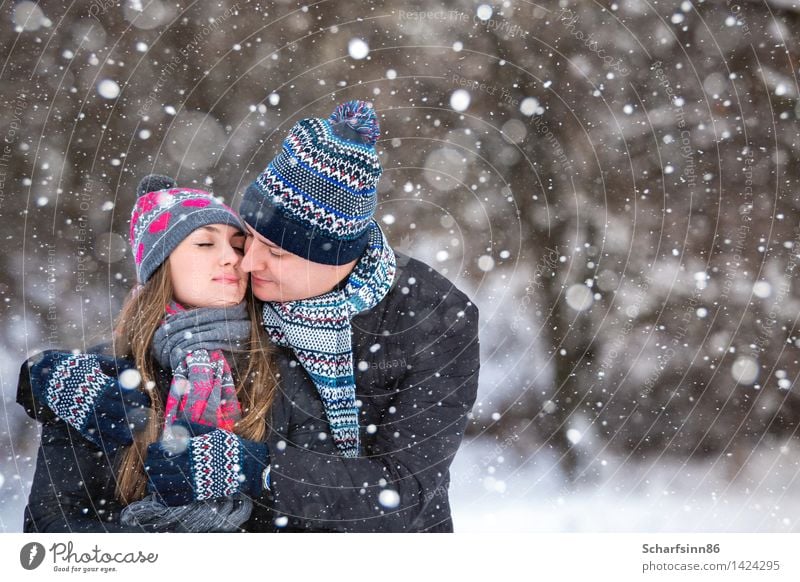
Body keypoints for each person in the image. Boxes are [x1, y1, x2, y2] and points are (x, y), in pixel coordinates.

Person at [17, 177, 337, 532]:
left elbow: (323, 516)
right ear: (160, 265)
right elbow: (52, 526)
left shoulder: (282, 369)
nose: (232, 259)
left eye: (237, 245)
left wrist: (256, 473)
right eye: (204, 243)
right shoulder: (92, 378)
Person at [233, 99, 481, 531]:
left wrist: (258, 470)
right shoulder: (236, 288)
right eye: (247, 238)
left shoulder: (435, 317)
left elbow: (402, 494)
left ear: (336, 257)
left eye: (274, 251)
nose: (247, 262)